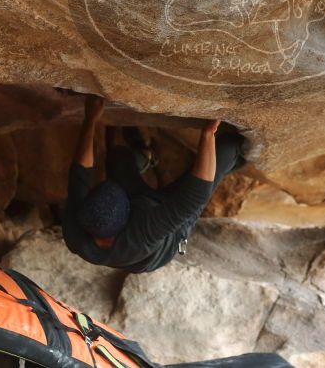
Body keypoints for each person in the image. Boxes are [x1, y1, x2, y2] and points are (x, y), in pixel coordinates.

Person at [62, 95, 246, 273]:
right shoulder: (141, 235)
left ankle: (143, 154)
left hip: (138, 201)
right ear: (128, 214)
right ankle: (237, 160)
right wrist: (208, 133)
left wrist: (91, 119)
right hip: (167, 237)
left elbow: (80, 172)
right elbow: (195, 197)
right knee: (227, 147)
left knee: (116, 159)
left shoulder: (75, 228)